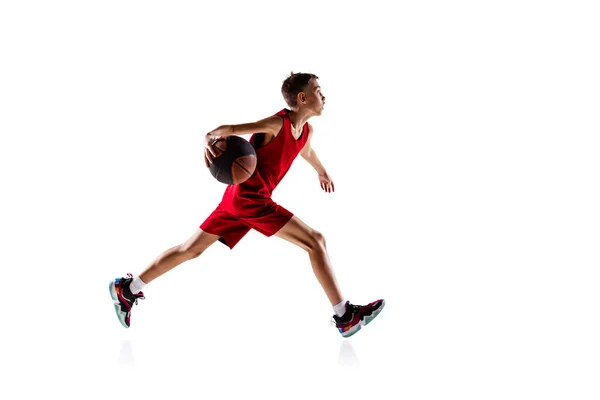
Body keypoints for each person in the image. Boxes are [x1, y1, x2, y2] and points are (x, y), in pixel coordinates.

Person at [109, 72, 385, 338]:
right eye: (317, 91)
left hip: (235, 199)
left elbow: (306, 151)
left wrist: (321, 171)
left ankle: (128, 289)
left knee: (189, 250)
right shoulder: (277, 124)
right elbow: (230, 129)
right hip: (252, 202)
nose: (323, 96)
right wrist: (209, 137)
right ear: (302, 98)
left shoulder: (306, 131)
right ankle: (345, 316)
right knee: (316, 241)